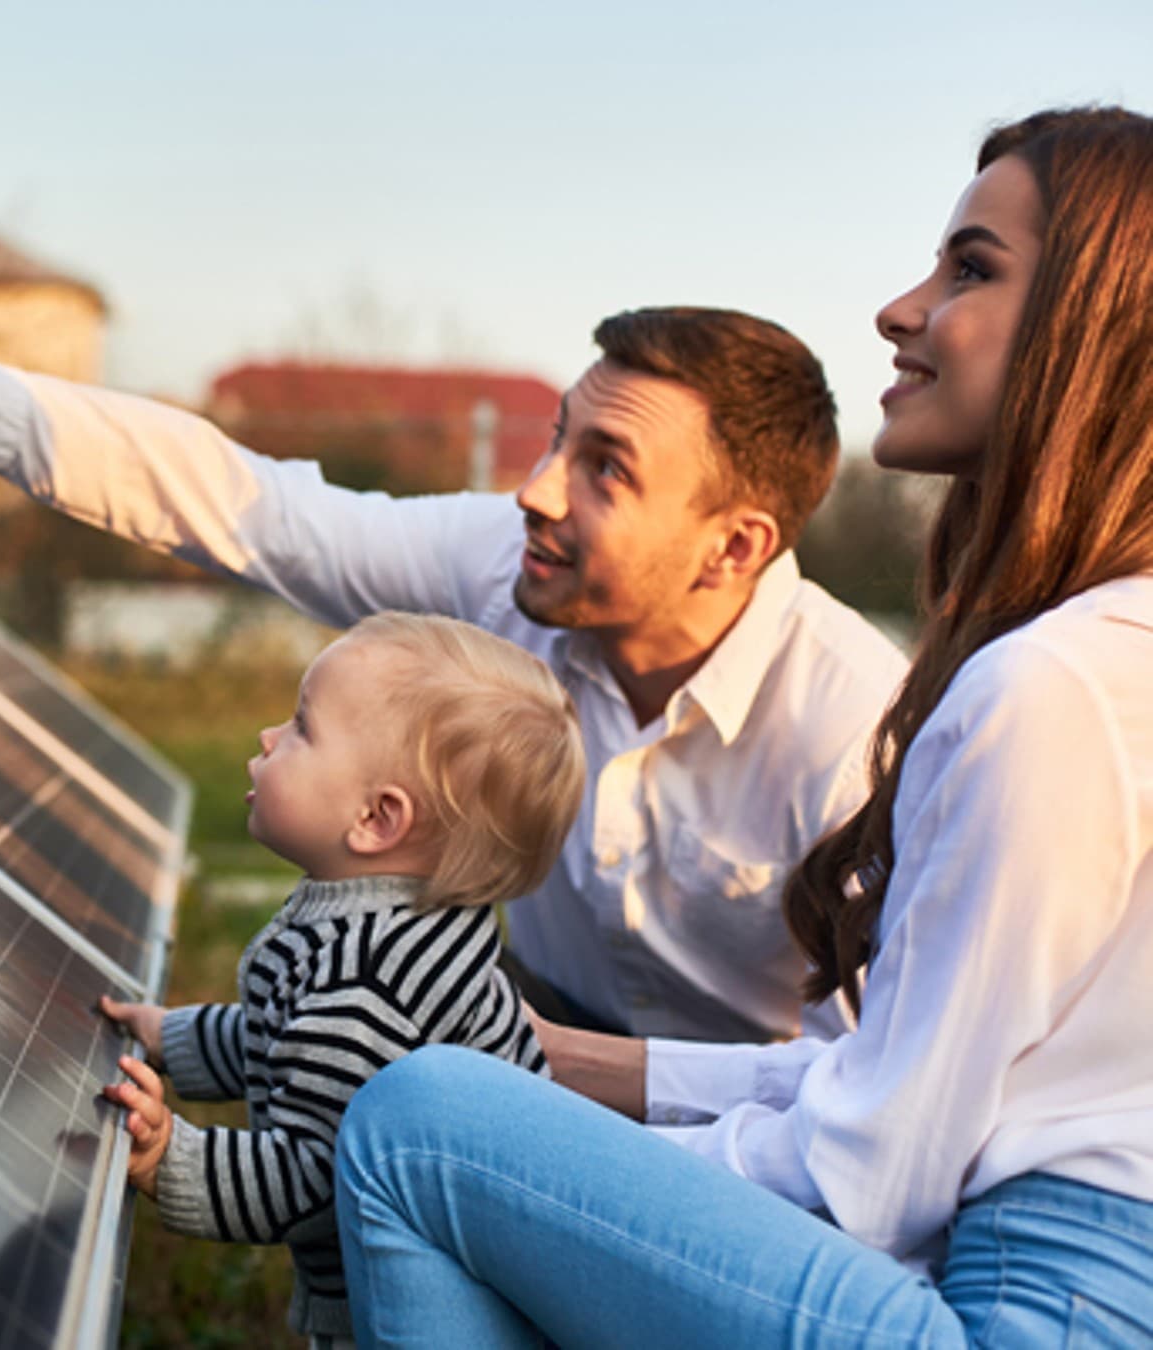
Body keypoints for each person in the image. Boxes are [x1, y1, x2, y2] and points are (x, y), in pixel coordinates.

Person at [0, 158, 908, 1050]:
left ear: (733, 546)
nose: (536, 487)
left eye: (607, 467)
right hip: (534, 1033)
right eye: (560, 436)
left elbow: (868, 1099)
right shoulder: (507, 566)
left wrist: (546, 1078)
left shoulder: (856, 732)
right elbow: (240, 503)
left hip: (750, 1143)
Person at [331, 106, 1153, 1347]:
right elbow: (908, 1084)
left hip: (1028, 1313)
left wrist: (560, 1187)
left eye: (972, 268)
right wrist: (558, 1070)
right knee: (479, 1112)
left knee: (413, 1125)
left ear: (1098, 332)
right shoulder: (1112, 657)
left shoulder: (1046, 689)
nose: (900, 306)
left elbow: (876, 1175)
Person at [94, 611, 583, 1348]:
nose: (267, 738)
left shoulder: (367, 985)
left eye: (300, 729)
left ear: (377, 819)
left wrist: (172, 1160)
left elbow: (315, 1178)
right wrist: (173, 1037)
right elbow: (282, 1032)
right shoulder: (388, 924)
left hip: (421, 1303)